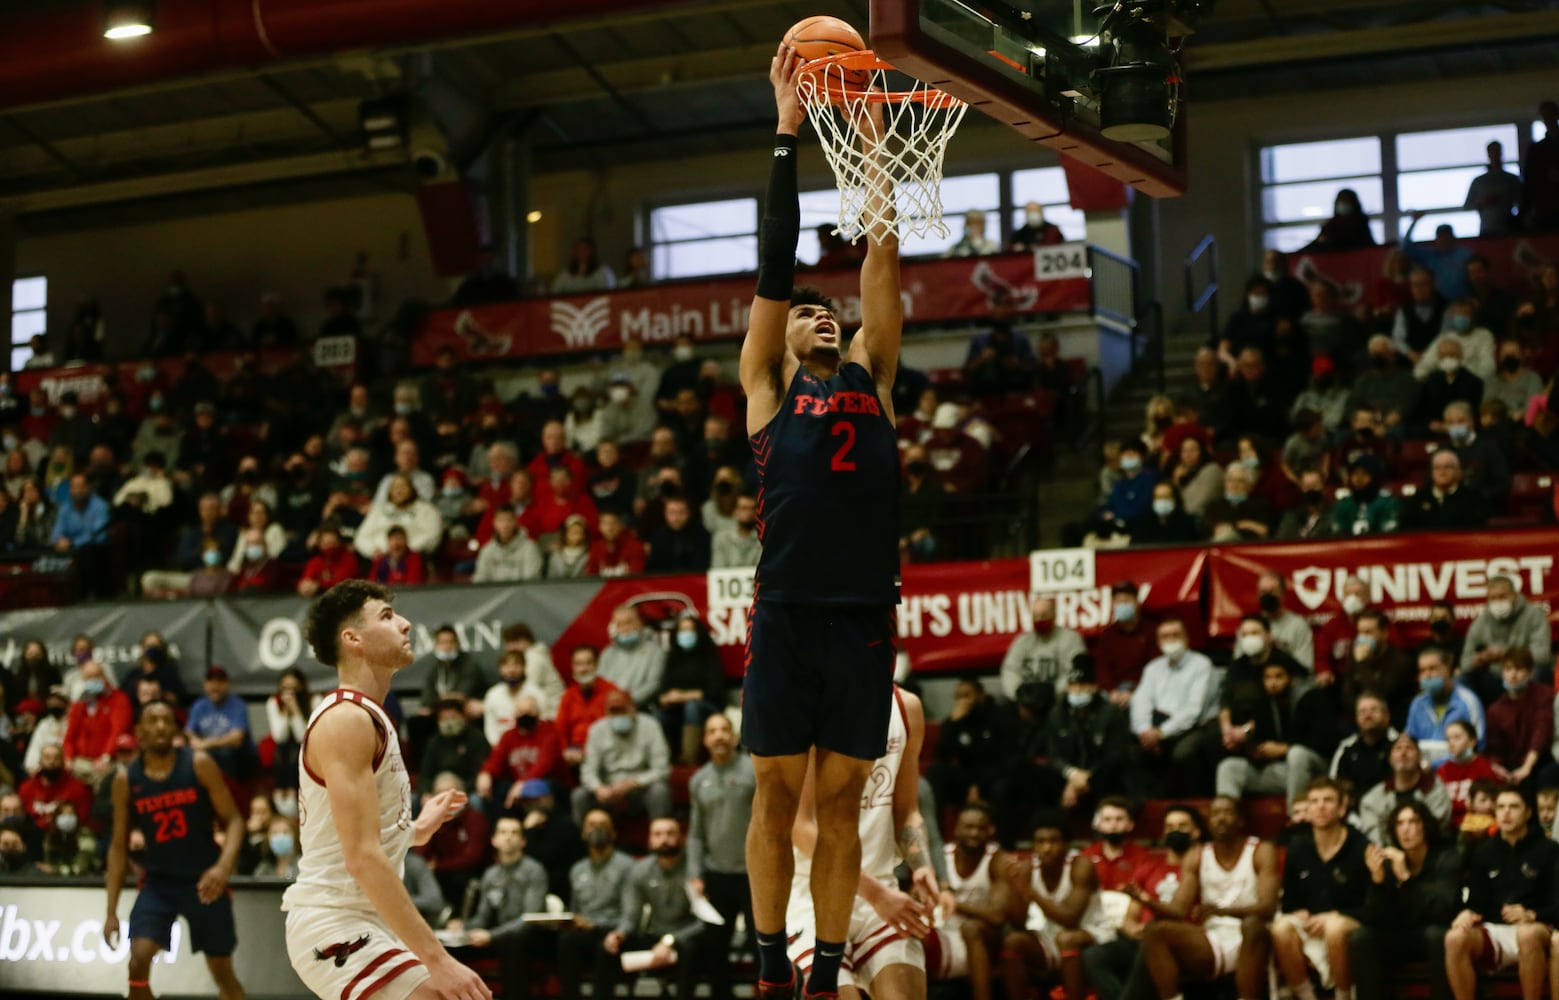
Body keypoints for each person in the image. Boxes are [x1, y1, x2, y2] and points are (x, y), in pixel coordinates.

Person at [740, 53, 907, 1000]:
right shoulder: (766, 389)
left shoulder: (876, 382)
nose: (822, 316)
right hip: (788, 610)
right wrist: (787, 128)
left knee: (841, 802)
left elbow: (879, 254)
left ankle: (824, 974)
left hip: (861, 615)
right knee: (774, 793)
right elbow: (776, 256)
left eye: (828, 311)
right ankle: (770, 965)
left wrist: (873, 144)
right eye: (806, 312)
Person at [281, 581, 492, 1000]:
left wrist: (413, 830)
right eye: (386, 616)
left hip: (366, 920)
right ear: (352, 638)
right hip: (335, 921)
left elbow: (347, 835)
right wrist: (438, 958)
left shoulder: (368, 716)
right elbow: (361, 857)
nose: (406, 623)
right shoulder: (346, 720)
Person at [787, 686, 937, 1000]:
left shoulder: (906, 707)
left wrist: (921, 865)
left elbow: (908, 812)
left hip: (881, 893)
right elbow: (800, 828)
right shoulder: (807, 709)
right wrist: (876, 894)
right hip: (814, 899)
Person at [104, 700, 247, 1000]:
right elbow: (118, 847)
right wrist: (111, 912)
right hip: (158, 883)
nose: (160, 725)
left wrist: (223, 867)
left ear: (175, 729)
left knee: (222, 970)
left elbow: (234, 821)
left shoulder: (199, 764)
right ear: (139, 731)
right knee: (138, 961)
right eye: (152, 720)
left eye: (166, 720)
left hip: (204, 881)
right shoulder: (125, 779)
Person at [1137, 796, 1279, 1000]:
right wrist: (1145, 900)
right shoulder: (1197, 855)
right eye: (1215, 814)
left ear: (1240, 820)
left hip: (1253, 935)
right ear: (1208, 822)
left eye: (1227, 812)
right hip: (1213, 937)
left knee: (1253, 925)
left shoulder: (1260, 851)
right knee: (1154, 931)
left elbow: (1268, 908)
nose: (1221, 818)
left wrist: (1223, 911)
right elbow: (1178, 910)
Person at [1445, 788, 1559, 1000]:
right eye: (1501, 807)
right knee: (1454, 938)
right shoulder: (1483, 851)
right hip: (1494, 929)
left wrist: (1532, 914)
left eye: (1514, 807)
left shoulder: (1549, 850)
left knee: (1527, 935)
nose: (1506, 813)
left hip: (1537, 928)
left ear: (1528, 812)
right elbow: (1473, 899)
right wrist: (1467, 911)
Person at [1347, 800, 1462, 1000]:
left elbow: (1442, 909)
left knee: (1438, 936)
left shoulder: (1446, 858)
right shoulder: (1389, 860)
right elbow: (1373, 917)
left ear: (1425, 826)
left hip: (1432, 934)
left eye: (1412, 822)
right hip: (1399, 935)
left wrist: (1406, 878)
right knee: (1362, 937)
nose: (1406, 830)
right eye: (1400, 824)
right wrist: (1377, 881)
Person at [1270, 778, 1369, 1000]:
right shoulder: (1297, 846)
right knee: (1281, 928)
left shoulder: (1360, 845)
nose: (1320, 806)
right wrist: (1298, 912)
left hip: (1350, 920)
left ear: (1342, 808)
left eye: (1328, 800)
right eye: (1314, 801)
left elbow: (1372, 906)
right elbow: (1290, 901)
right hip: (1313, 923)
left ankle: (1344, 995)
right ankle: (1306, 996)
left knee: (1334, 927)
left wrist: (1335, 915)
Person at [602, 818, 720, 999]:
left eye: (670, 833)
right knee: (609, 947)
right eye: (657, 834)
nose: (664, 839)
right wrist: (619, 933)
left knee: (691, 949)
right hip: (655, 932)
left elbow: (706, 920)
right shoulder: (640, 870)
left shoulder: (695, 870)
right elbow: (631, 916)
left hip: (689, 934)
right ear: (649, 840)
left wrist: (669, 941)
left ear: (681, 837)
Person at [1000, 809, 1108, 1000]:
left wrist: (1030, 892)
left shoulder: (1081, 865)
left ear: (1066, 843)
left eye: (1053, 841)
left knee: (1067, 939)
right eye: (1040, 842)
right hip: (1051, 934)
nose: (1046, 848)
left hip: (1093, 933)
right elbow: (1017, 922)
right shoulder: (1028, 868)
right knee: (1013, 941)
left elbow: (1071, 919)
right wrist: (1014, 888)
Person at [687, 714, 756, 1000]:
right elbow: (695, 834)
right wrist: (694, 873)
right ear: (704, 740)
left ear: (734, 736)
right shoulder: (698, 780)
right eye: (712, 731)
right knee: (715, 949)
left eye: (724, 730)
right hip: (717, 875)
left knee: (761, 946)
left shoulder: (754, 771)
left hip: (754, 875)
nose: (719, 736)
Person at [445, 817, 548, 1000]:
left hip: (528, 937)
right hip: (497, 937)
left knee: (516, 941)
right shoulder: (491, 875)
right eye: (503, 832)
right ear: (494, 840)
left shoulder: (534, 871)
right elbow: (483, 917)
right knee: (450, 946)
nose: (508, 837)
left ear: (523, 841)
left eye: (514, 833)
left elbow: (530, 919)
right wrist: (464, 926)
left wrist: (491, 936)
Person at [1214, 658, 1334, 807]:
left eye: (1279, 677)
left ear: (1291, 679)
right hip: (1281, 771)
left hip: (1313, 770)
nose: (1273, 683)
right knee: (1229, 767)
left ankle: (1296, 817)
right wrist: (1255, 750)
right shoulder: (1264, 702)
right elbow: (1260, 739)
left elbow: (1326, 740)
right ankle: (1227, 819)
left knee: (1297, 754)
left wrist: (1285, 749)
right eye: (1268, 678)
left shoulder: (1312, 698)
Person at [924, 803, 1012, 1000]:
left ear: (991, 830)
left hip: (986, 939)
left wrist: (951, 901)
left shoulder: (998, 861)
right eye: (968, 827)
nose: (974, 833)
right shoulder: (941, 857)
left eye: (980, 828)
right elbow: (919, 895)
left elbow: (997, 917)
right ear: (956, 828)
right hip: (945, 933)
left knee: (971, 928)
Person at [557, 809, 634, 1000]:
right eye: (592, 824)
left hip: (616, 932)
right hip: (585, 932)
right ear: (583, 833)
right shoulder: (577, 869)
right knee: (565, 941)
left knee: (605, 948)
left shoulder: (628, 866)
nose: (597, 829)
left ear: (614, 833)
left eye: (603, 825)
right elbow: (575, 909)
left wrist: (607, 929)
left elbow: (631, 913)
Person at [1131, 618, 1219, 782]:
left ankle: (1198, 798)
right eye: (1165, 636)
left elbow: (1194, 711)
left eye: (1175, 635)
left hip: (1193, 727)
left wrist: (1161, 733)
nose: (1170, 640)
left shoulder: (1201, 665)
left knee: (1183, 753)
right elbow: (1140, 702)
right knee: (1129, 752)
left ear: (1187, 639)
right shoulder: (1153, 667)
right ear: (1158, 642)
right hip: (1156, 726)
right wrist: (1145, 731)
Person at [570, 688, 672, 824]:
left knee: (660, 791)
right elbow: (588, 771)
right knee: (579, 795)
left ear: (633, 709)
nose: (619, 716)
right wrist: (599, 788)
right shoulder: (597, 730)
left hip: (639, 788)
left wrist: (633, 783)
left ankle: (659, 836)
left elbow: (662, 769)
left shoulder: (650, 726)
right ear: (606, 713)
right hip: (608, 789)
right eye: (614, 712)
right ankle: (580, 843)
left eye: (623, 711)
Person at [1357, 732, 1453, 846]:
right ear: (1390, 758)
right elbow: (1374, 839)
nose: (1403, 753)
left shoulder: (1434, 788)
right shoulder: (1373, 798)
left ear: (1419, 757)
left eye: (1409, 748)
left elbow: (1435, 830)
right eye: (1398, 749)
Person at [1483, 649, 1553, 787]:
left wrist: (1527, 767)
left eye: (1519, 669)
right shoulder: (1495, 709)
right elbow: (1494, 748)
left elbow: (1541, 733)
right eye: (1508, 669)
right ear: (1502, 673)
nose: (1513, 675)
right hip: (1510, 765)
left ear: (1530, 673)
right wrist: (1498, 768)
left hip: (1539, 761)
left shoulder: (1544, 695)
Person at [1461, 576, 1552, 682]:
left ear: (1515, 595)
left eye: (1502, 597)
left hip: (1525, 675)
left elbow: (1542, 657)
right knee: (1463, 679)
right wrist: (1480, 659)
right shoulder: (1480, 622)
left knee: (1539, 673)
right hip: (1494, 678)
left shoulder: (1534, 616)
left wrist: (1504, 654)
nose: (1498, 602)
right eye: (1493, 598)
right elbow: (1465, 663)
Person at [1406, 648, 1485, 765]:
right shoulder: (1417, 704)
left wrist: (1436, 765)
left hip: (1459, 768)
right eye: (1422, 671)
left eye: (1432, 668)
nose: (1427, 675)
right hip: (1422, 772)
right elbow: (1410, 741)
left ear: (1447, 669)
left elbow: (1478, 745)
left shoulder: (1468, 701)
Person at [1000, 596, 1087, 699]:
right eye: (1035, 616)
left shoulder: (1071, 639)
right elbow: (1010, 670)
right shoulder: (1022, 641)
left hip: (1058, 698)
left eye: (1044, 615)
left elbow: (1073, 672)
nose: (1039, 620)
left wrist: (1051, 695)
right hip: (1026, 700)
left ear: (1054, 616)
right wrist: (1019, 695)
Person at [185, 665, 252, 779]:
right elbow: (189, 732)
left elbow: (236, 739)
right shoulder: (199, 705)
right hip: (206, 751)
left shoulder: (238, 705)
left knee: (226, 754)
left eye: (220, 682)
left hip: (232, 755)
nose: (215, 687)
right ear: (205, 685)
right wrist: (195, 741)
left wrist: (205, 744)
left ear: (227, 684)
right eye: (211, 682)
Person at [597, 603, 666, 708]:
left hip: (640, 709)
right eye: (619, 624)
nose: (624, 628)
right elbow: (599, 684)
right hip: (608, 708)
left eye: (628, 622)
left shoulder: (655, 651)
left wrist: (626, 701)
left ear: (639, 623)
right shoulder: (608, 653)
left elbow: (654, 684)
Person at [1464, 140, 1523, 236]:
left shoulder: (1511, 179)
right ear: (1488, 154)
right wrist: (1481, 202)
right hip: (1487, 228)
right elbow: (1467, 205)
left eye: (1497, 152)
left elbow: (1522, 201)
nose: (1496, 155)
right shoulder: (1479, 181)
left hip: (1507, 227)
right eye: (1493, 152)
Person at [1301, 188, 1376, 251]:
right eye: (1341, 201)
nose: (1343, 204)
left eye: (1346, 201)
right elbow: (1317, 244)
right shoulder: (1330, 225)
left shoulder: (1360, 224)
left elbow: (1368, 246)